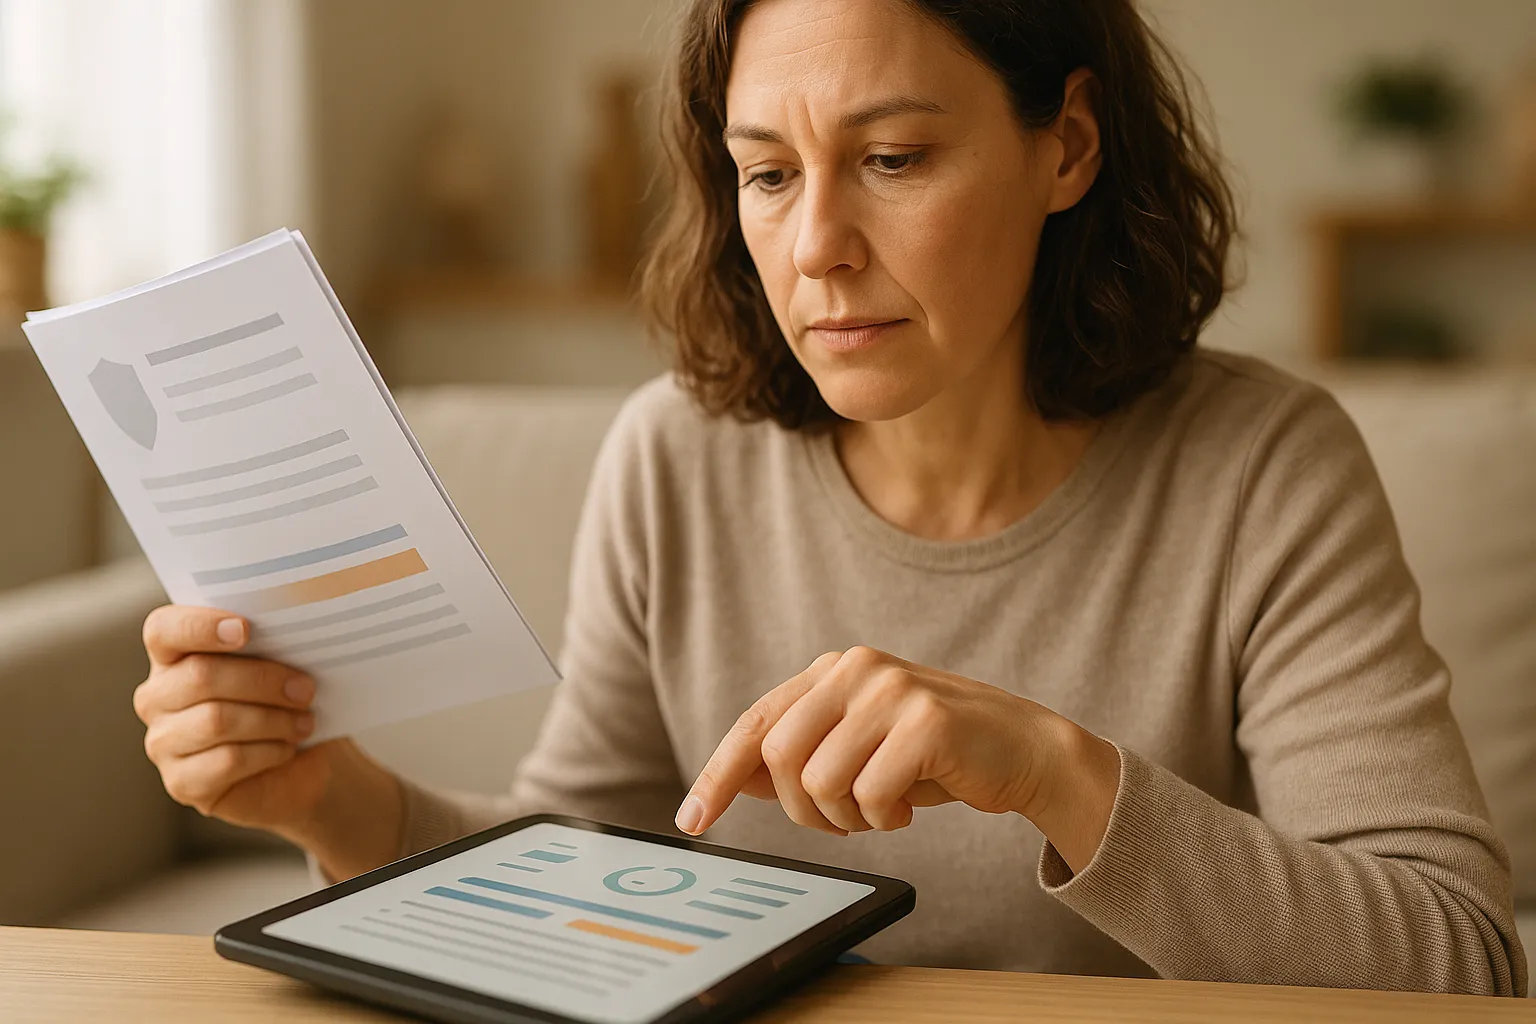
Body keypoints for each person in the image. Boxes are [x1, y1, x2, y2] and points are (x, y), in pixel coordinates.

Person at [131, 0, 1527, 995]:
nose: (816, 249)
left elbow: (1458, 956)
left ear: (1070, 147)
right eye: (767, 174)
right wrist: (338, 801)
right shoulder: (674, 457)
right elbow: (581, 863)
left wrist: (1057, 771)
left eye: (894, 158)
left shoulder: (1267, 468)